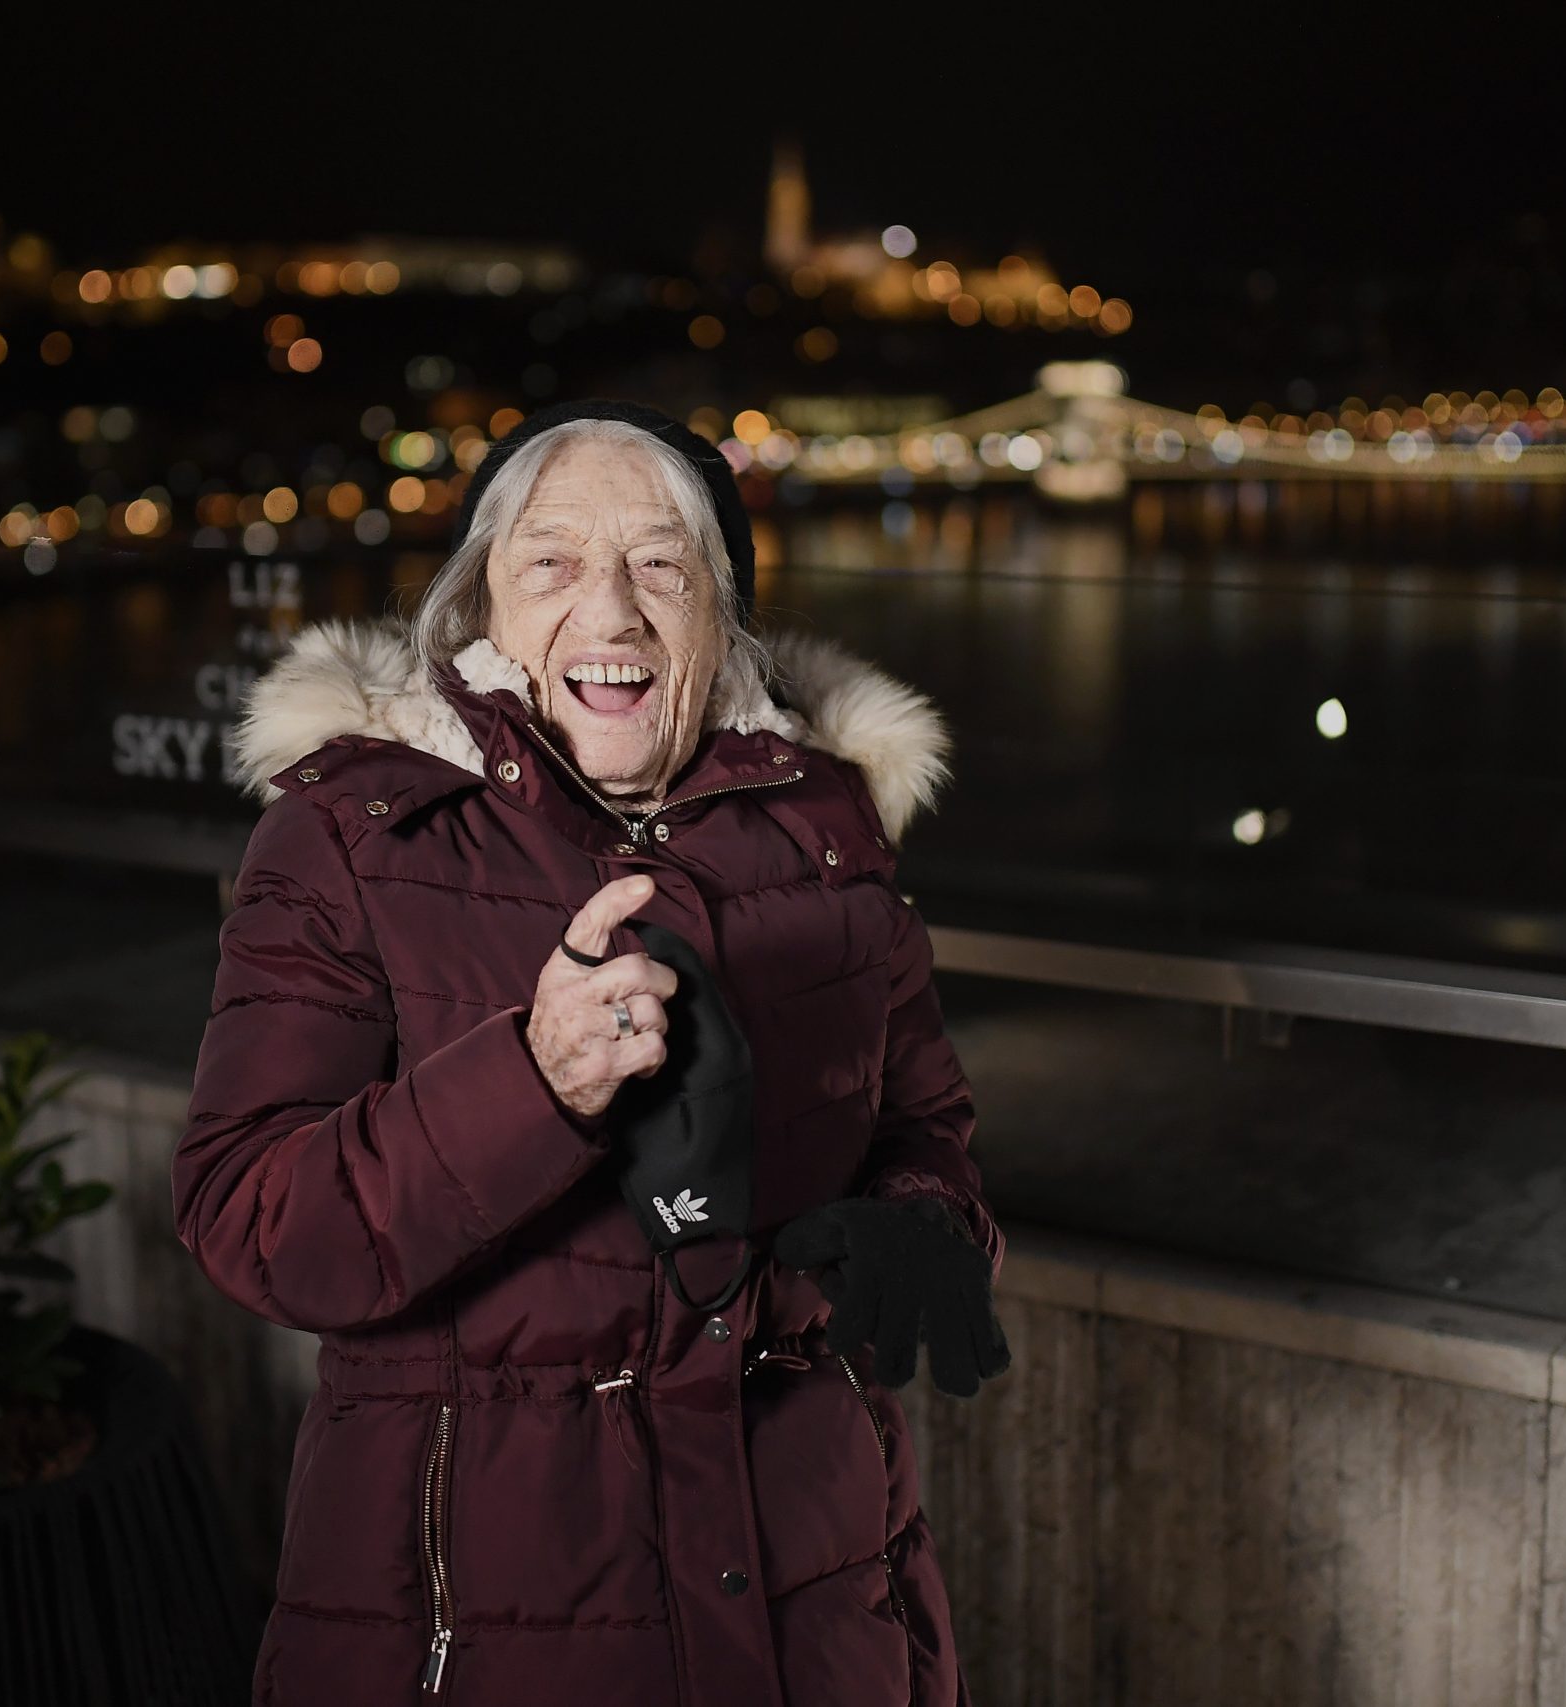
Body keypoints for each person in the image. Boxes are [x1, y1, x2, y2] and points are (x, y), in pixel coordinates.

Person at [174, 399, 1009, 1706]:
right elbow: (252, 1221)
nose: (612, 613)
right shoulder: (349, 838)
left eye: (662, 565)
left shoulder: (832, 832)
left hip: (820, 1601)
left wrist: (917, 1227)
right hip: (478, 1627)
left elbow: (926, 1130)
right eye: (551, 562)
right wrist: (533, 1081)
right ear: (478, 613)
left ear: (721, 618)